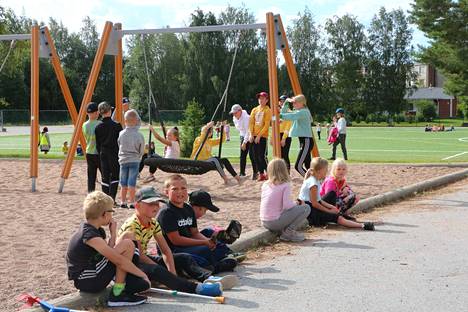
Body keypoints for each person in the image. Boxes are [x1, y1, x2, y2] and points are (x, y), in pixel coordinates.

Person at [118, 186, 232, 294]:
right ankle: (198, 288)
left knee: (183, 257)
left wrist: (171, 274)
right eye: (151, 204)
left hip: (142, 259)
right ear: (137, 206)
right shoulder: (132, 225)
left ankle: (208, 277)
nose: (156, 207)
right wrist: (167, 274)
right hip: (129, 264)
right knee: (157, 270)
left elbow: (166, 251)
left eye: (157, 203)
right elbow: (140, 257)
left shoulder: (153, 223)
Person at [66, 191, 150, 307]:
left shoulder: (95, 229)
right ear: (104, 214)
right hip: (86, 279)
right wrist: (143, 275)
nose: (112, 215)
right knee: (128, 245)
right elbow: (117, 259)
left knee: (127, 242)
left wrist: (113, 234)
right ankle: (117, 295)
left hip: (92, 272)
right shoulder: (90, 235)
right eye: (112, 211)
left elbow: (107, 252)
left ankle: (120, 288)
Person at [158, 174, 238, 273]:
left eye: (183, 188)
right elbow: (176, 240)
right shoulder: (167, 212)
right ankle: (214, 267)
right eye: (175, 189)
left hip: (188, 245)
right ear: (166, 192)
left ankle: (217, 259)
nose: (180, 192)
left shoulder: (188, 209)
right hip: (174, 250)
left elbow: (195, 233)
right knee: (204, 250)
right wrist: (203, 243)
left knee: (215, 247)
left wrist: (209, 242)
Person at [298, 157, 375, 231]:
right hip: (311, 212)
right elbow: (315, 204)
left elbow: (319, 200)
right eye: (325, 169)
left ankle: (337, 215)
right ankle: (363, 225)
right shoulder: (313, 183)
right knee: (338, 218)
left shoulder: (314, 179)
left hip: (311, 207)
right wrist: (329, 211)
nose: (327, 171)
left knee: (332, 194)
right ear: (319, 171)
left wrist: (331, 207)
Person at [260, 158, 310, 242]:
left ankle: (285, 231)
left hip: (264, 221)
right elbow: (287, 205)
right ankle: (288, 232)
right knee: (306, 208)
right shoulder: (285, 185)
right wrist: (297, 203)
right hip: (274, 222)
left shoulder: (265, 184)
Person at [189, 190, 245, 263]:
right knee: (206, 249)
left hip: (191, 242)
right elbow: (189, 237)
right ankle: (222, 255)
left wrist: (211, 239)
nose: (204, 213)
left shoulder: (190, 214)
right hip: (185, 246)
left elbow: (195, 234)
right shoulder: (186, 215)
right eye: (205, 210)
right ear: (199, 208)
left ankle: (227, 252)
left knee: (208, 231)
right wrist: (207, 241)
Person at [279, 94, 314, 177]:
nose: (293, 105)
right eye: (293, 103)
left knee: (298, 166)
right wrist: (287, 102)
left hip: (306, 141)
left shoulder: (303, 112)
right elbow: (283, 112)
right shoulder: (300, 111)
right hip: (304, 141)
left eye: (295, 103)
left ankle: (311, 181)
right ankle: (315, 181)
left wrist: (279, 116)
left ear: (302, 103)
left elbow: (290, 116)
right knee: (307, 165)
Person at [95, 101, 123, 203]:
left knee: (105, 177)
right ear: (110, 111)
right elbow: (120, 141)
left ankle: (106, 200)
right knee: (115, 176)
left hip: (103, 153)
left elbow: (98, 144)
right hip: (114, 153)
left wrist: (100, 152)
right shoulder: (117, 125)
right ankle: (112, 199)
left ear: (100, 112)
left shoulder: (98, 127)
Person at [118, 109, 145, 208]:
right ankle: (132, 202)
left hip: (123, 160)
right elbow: (141, 148)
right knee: (132, 182)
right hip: (134, 159)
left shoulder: (121, 133)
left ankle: (123, 201)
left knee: (123, 182)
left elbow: (119, 144)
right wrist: (139, 155)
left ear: (125, 121)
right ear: (136, 121)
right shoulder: (139, 135)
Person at [230, 104, 257, 178]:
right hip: (243, 136)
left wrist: (244, 142)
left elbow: (248, 131)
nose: (234, 114)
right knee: (242, 155)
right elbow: (240, 130)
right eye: (233, 113)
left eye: (235, 113)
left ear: (240, 111)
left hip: (250, 136)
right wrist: (242, 140)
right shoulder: (234, 118)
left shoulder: (246, 118)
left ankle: (255, 172)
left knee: (252, 155)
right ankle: (242, 173)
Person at [249, 91, 272, 181]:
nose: (261, 100)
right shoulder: (254, 109)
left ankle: (269, 173)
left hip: (262, 136)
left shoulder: (267, 110)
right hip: (253, 136)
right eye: (259, 98)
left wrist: (259, 136)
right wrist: (251, 134)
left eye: (263, 98)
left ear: (267, 100)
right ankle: (261, 174)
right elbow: (251, 123)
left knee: (262, 156)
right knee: (255, 156)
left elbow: (266, 125)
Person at [83, 102, 102, 193]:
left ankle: (90, 193)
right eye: (98, 112)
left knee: (91, 176)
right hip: (98, 153)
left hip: (89, 152)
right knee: (105, 175)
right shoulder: (99, 123)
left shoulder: (84, 125)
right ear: (96, 113)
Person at [277, 95, 292, 172]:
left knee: (285, 155)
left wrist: (283, 138)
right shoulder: (278, 112)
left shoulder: (289, 112)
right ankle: (282, 172)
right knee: (279, 155)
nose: (281, 102)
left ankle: (287, 171)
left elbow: (288, 127)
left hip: (286, 136)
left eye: (283, 101)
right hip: (278, 135)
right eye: (280, 101)